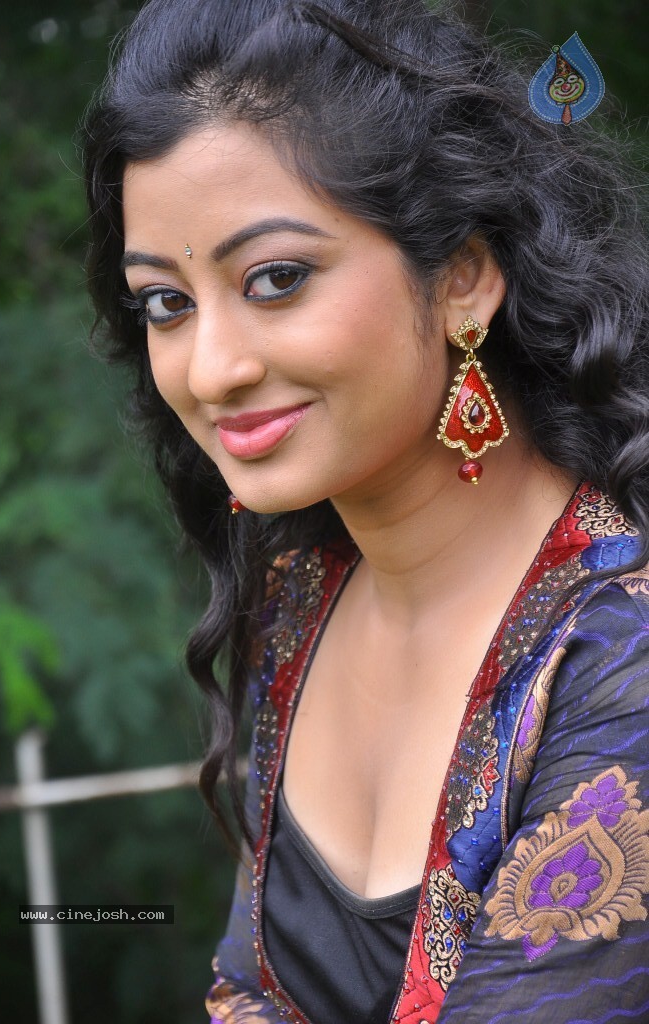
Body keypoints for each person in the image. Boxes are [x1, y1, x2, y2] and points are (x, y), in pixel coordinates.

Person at [83, 0, 649, 1020]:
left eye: (276, 279)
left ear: (464, 276)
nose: (210, 370)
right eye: (166, 302)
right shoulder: (301, 593)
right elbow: (247, 991)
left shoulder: (622, 660)